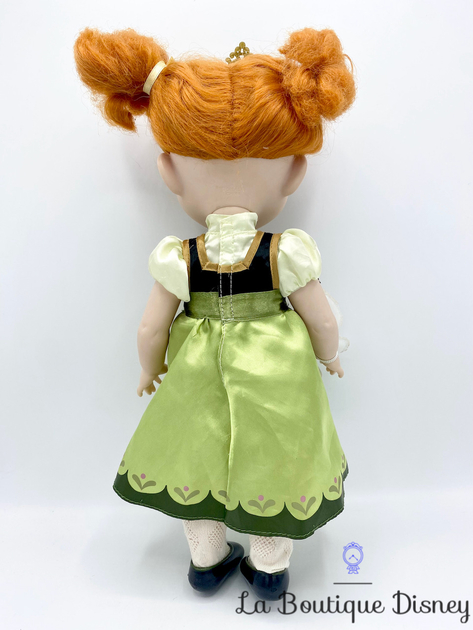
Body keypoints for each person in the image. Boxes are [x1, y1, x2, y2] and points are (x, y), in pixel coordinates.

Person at [74, 26, 356, 600]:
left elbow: (151, 326)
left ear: (170, 172)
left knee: (196, 456)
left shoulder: (179, 258)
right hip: (278, 378)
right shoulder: (285, 253)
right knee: (277, 455)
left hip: (196, 375)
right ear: (294, 173)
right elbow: (322, 319)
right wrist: (330, 355)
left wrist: (149, 368)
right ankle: (270, 565)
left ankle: (205, 560)